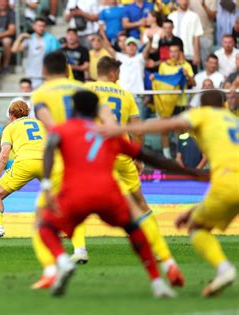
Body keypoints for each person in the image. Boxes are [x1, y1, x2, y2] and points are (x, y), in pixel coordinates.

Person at [39, 90, 201, 297]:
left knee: (45, 226)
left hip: (75, 194)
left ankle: (62, 261)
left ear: (75, 109)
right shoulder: (109, 133)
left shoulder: (63, 129)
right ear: (97, 110)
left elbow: (50, 147)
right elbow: (149, 156)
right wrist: (189, 172)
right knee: (134, 229)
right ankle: (157, 281)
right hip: (108, 193)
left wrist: (46, 185)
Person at [96, 89, 238, 297]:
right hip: (228, 180)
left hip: (227, 180)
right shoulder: (233, 120)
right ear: (224, 103)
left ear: (202, 105)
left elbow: (166, 124)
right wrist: (194, 209)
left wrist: (123, 128)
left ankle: (224, 270)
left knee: (198, 228)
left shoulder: (203, 114)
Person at [84, 56, 185, 286]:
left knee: (77, 195)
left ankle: (75, 245)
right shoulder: (125, 94)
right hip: (121, 152)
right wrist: (137, 155)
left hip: (95, 154)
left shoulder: (86, 89)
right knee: (140, 203)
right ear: (111, 73)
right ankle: (157, 247)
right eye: (117, 73)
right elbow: (137, 129)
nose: (119, 77)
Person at [30, 51, 87, 290]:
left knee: (40, 218)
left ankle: (53, 268)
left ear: (44, 70)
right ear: (67, 69)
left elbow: (51, 127)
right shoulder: (82, 89)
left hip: (59, 157)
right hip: (83, 158)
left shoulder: (41, 94)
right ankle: (80, 249)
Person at [0, 100, 45, 249]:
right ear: (28, 113)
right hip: (47, 163)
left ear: (11, 115)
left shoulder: (10, 127)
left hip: (25, 164)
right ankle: (64, 228)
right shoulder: (41, 124)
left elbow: (4, 155)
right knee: (57, 195)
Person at [11, 18, 60, 87]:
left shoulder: (51, 39)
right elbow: (14, 50)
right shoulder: (30, 38)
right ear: (34, 26)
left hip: (45, 76)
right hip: (31, 75)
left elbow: (56, 57)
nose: (41, 28)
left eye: (43, 26)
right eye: (39, 26)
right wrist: (20, 37)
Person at [168, 0, 203, 69]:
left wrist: (196, 55)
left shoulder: (194, 16)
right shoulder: (171, 16)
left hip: (188, 53)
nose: (184, 2)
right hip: (173, 54)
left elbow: (196, 36)